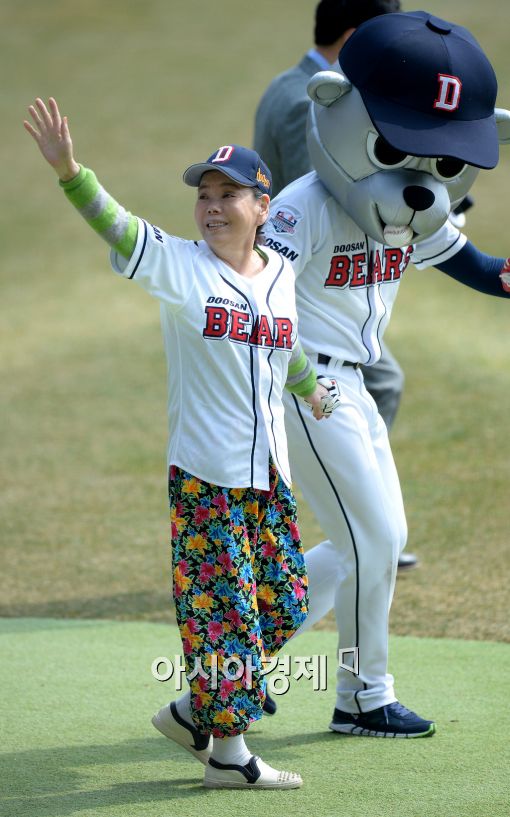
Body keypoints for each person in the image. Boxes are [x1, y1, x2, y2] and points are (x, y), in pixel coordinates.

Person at [24, 97, 340, 789]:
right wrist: (71, 171)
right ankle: (229, 756)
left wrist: (310, 388)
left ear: (262, 206)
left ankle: (194, 709)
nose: (213, 206)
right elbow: (117, 224)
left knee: (283, 600)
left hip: (267, 476)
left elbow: (282, 345)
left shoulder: (281, 275)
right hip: (206, 476)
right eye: (204, 195)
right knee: (227, 616)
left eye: (229, 194)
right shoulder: (180, 266)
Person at [262, 10, 510, 737]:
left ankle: (238, 658)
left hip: (355, 391)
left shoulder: (408, 208)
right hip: (304, 385)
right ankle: (364, 696)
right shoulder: (302, 208)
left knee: (369, 540)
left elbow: (479, 267)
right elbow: (256, 296)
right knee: (370, 542)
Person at [254, 0, 418, 573]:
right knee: (377, 381)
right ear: (354, 38)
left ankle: (365, 528)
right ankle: (361, 525)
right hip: (309, 303)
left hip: (292, 301)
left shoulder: (286, 85)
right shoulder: (320, 100)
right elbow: (331, 194)